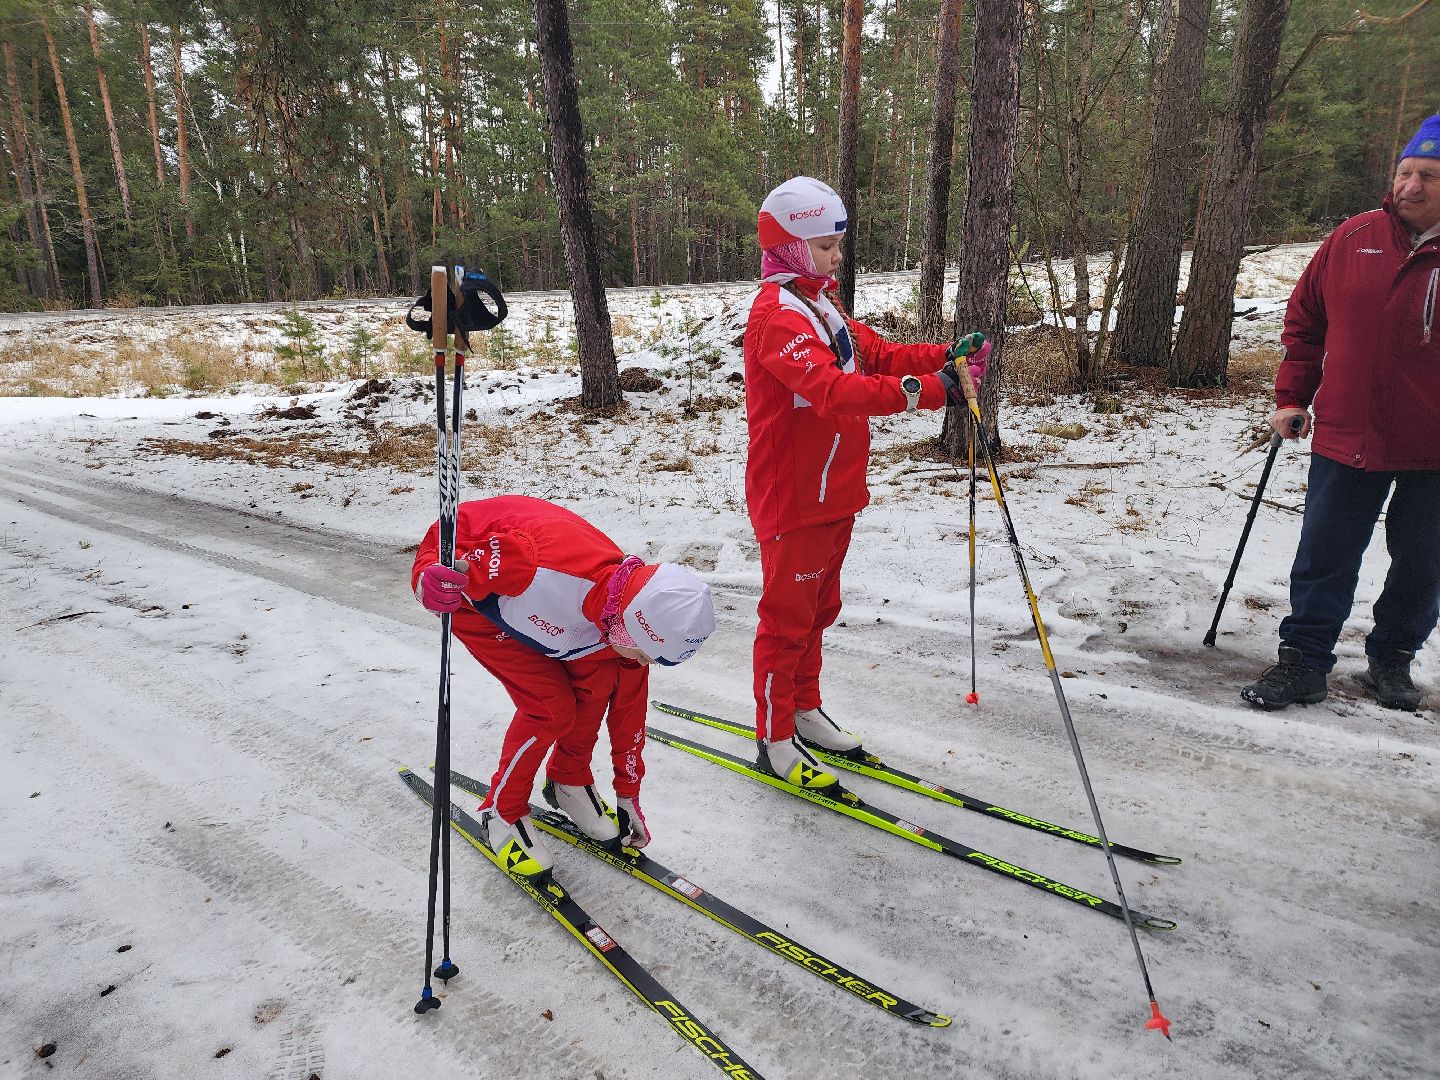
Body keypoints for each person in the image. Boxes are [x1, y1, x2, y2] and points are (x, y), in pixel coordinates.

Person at [743, 175, 991, 790]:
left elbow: (873, 355)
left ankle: (804, 708)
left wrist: (941, 359)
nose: (836, 257)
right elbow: (834, 391)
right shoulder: (777, 317)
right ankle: (774, 739)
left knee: (819, 610)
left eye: (836, 246)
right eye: (826, 246)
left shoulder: (820, 303)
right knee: (786, 619)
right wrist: (933, 394)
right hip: (794, 496)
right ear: (793, 243)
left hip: (837, 489)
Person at [1241, 115, 1440, 712]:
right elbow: (1305, 324)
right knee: (1325, 555)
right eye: (1405, 172)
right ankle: (1303, 663)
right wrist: (1291, 399)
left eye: (1428, 176)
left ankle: (1391, 660)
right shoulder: (1353, 239)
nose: (1409, 186)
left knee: (1423, 563)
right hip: (1349, 432)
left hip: (1434, 445)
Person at [411, 495, 715, 875]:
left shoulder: (629, 609)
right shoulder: (530, 568)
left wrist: (628, 792)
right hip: (482, 610)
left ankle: (568, 780)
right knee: (550, 707)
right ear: (630, 627)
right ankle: (502, 813)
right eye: (645, 653)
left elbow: (629, 713)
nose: (643, 663)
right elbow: (446, 539)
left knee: (602, 680)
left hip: (556, 615)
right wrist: (429, 579)